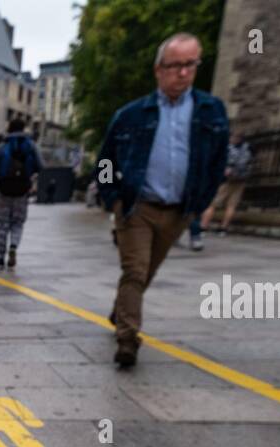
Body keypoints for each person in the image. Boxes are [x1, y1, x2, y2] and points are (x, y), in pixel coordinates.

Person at [95, 33, 229, 369]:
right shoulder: (131, 115)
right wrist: (112, 199)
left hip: (178, 210)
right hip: (137, 206)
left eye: (190, 65)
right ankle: (128, 338)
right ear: (159, 69)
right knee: (135, 270)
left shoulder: (211, 112)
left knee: (147, 271)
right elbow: (106, 159)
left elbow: (217, 162)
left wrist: (202, 202)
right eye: (175, 66)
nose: (182, 73)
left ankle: (121, 309)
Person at [0, 117, 43, 268]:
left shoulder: (2, 146)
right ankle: (13, 246)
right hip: (22, 191)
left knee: (1, 224)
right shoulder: (31, 146)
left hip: (3, 191)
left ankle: (0, 257)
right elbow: (40, 166)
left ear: (9, 128)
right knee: (18, 222)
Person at [201, 131, 254, 235]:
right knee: (231, 205)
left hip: (227, 179)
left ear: (235, 138)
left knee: (212, 203)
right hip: (241, 180)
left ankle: (203, 226)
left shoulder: (229, 148)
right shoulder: (248, 149)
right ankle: (223, 228)